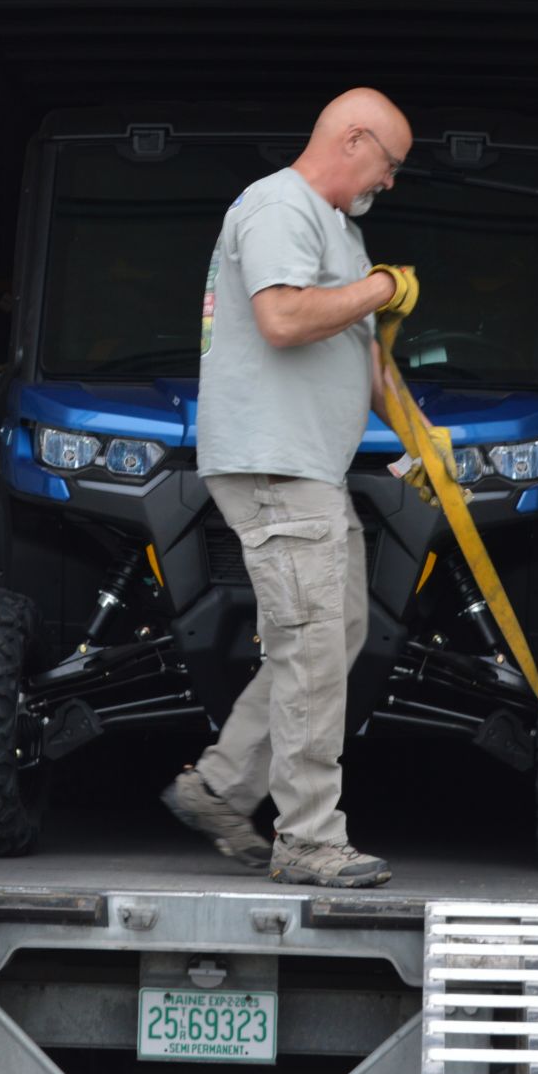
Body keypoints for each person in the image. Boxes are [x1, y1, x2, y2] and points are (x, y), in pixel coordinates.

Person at [161, 88, 419, 889]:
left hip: (308, 466)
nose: (391, 181)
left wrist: (425, 443)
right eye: (390, 163)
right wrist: (379, 288)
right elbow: (281, 318)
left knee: (332, 634)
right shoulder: (278, 208)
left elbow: (362, 356)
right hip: (275, 462)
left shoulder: (340, 229)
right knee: (310, 648)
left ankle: (219, 787)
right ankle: (308, 837)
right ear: (353, 139)